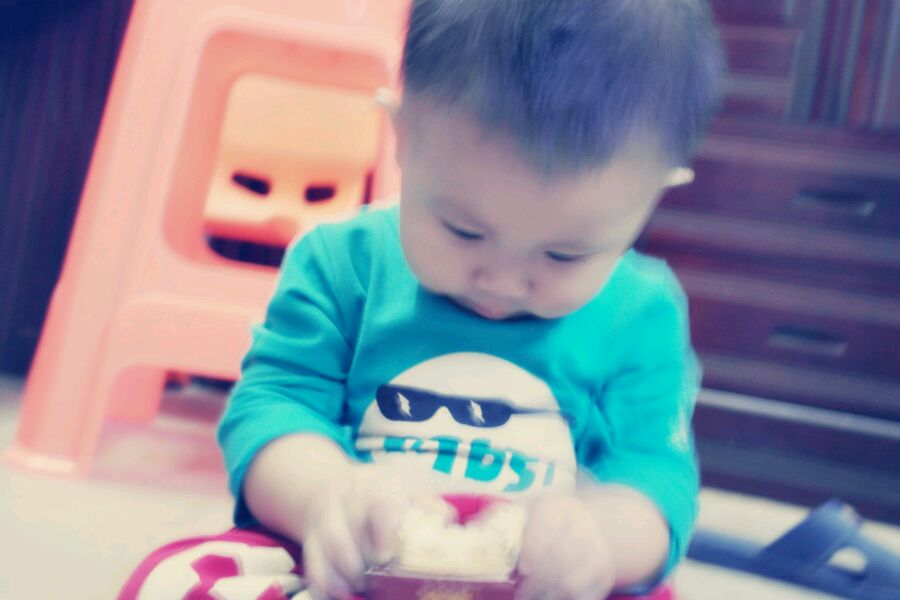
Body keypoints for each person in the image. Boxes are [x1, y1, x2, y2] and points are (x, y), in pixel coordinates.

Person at [119, 1, 724, 599]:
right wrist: (327, 497)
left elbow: (655, 478)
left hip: (539, 588)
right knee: (174, 581)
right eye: (463, 231)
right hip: (347, 571)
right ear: (402, 137)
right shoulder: (342, 264)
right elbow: (273, 409)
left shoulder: (642, 315)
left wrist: (598, 539)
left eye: (564, 255)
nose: (501, 281)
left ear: (653, 196)